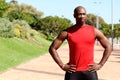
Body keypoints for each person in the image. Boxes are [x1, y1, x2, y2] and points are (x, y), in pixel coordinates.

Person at [49, 6, 112, 80]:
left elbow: (108, 46)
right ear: (74, 15)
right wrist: (62, 65)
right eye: (79, 14)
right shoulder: (67, 32)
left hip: (90, 71)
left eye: (83, 14)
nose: (82, 16)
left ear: (86, 15)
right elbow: (52, 48)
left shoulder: (94, 31)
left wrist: (100, 64)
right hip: (73, 72)